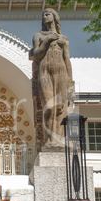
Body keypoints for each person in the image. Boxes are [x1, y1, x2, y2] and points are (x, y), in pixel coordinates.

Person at [31, 8, 73, 147]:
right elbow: (36, 54)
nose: (45, 17)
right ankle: (48, 139)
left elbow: (67, 59)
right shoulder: (39, 36)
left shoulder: (63, 38)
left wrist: (70, 81)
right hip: (44, 72)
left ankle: (59, 140)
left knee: (60, 108)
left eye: (47, 14)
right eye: (43, 15)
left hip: (61, 72)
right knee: (48, 107)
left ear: (55, 17)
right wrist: (47, 40)